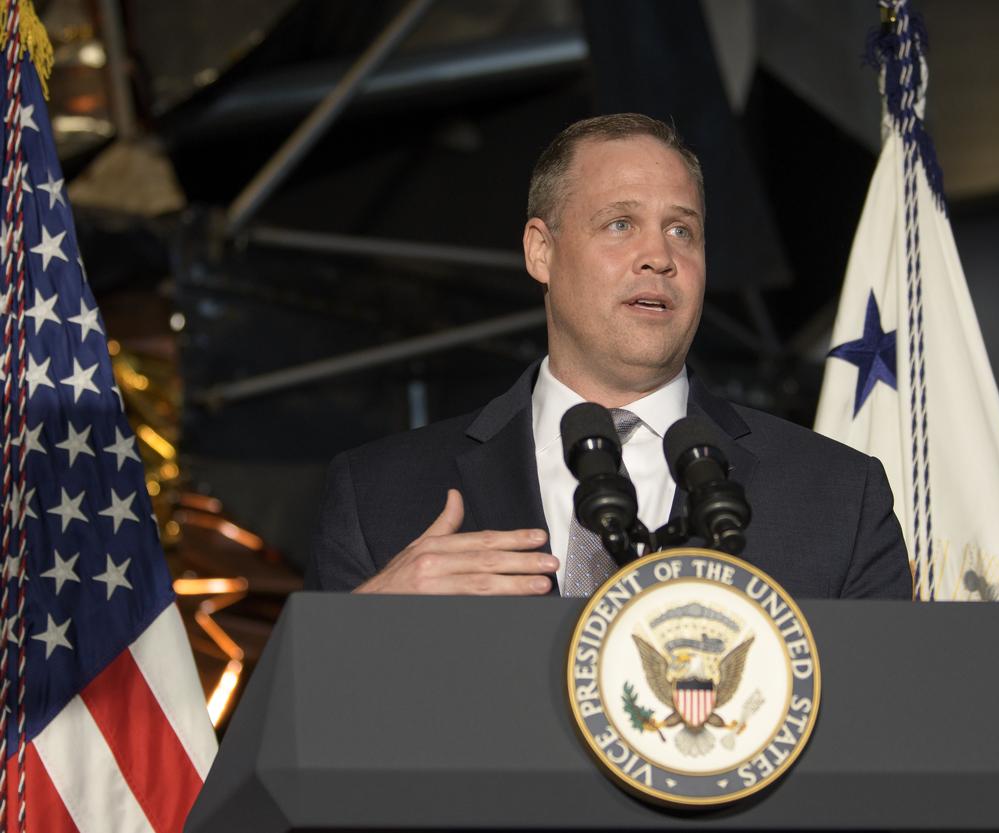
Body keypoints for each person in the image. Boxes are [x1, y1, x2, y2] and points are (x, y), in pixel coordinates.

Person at [305, 113, 911, 600]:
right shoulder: (379, 494)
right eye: (621, 224)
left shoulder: (837, 497)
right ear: (541, 252)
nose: (659, 257)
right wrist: (365, 627)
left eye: (682, 230)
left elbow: (888, 709)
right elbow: (301, 711)